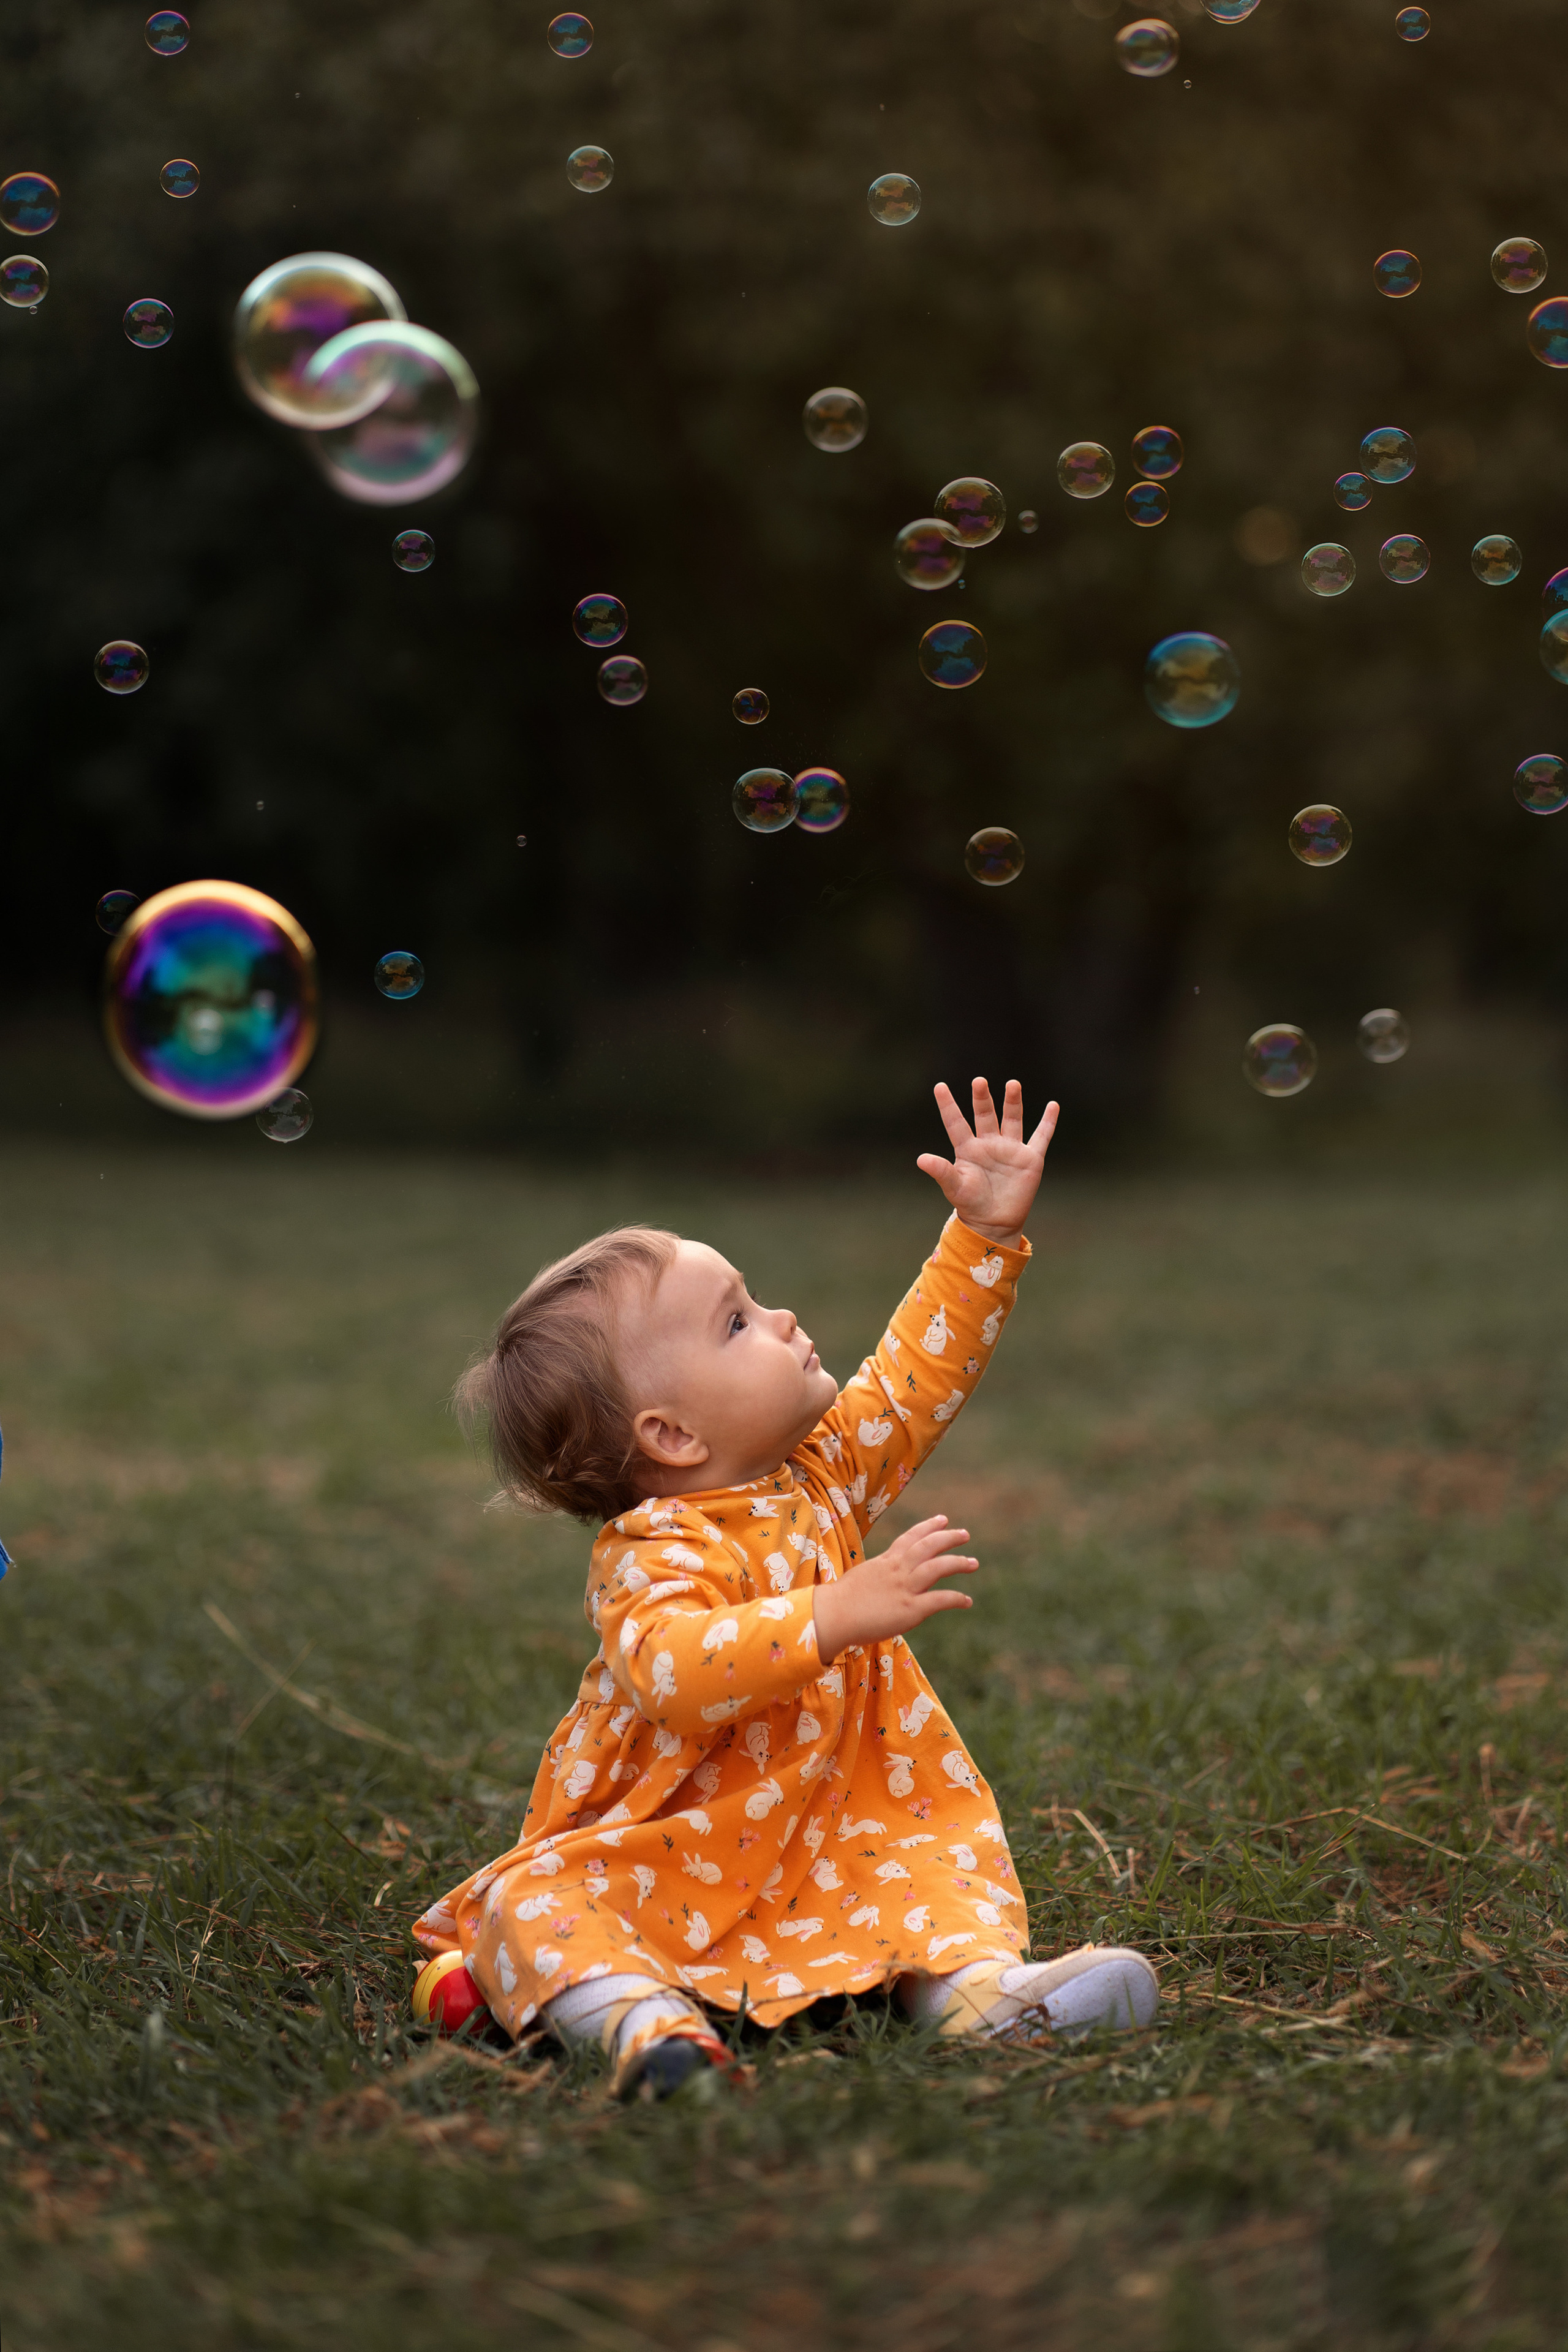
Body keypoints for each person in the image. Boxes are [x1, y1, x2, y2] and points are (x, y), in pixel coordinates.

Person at [412, 1078, 1158, 2096]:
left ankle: (985, 1998)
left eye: (754, 1300)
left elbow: (915, 1376)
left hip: (840, 1831)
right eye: (737, 1323)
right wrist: (831, 1614)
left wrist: (982, 1236)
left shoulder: (825, 1475)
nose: (783, 1317)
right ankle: (649, 2029)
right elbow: (672, 1673)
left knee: (933, 1868)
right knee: (534, 1903)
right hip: (676, 1849)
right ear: (673, 1435)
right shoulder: (655, 1551)